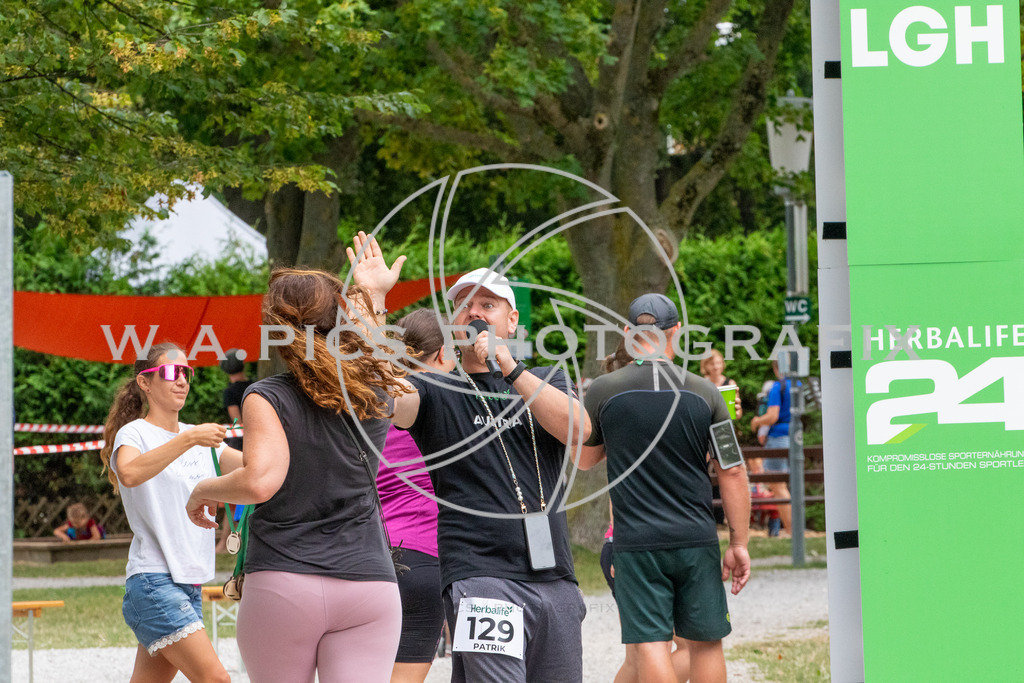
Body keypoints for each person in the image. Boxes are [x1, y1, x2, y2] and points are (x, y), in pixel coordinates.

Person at [352, 233, 590, 683]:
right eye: (464, 307)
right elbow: (385, 389)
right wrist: (374, 302)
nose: (475, 313)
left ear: (513, 321)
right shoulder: (437, 390)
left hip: (556, 577)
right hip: (481, 576)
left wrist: (510, 367)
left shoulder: (545, 378)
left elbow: (580, 432)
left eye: (488, 305)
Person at [184, 265, 406, 683]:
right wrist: (373, 297)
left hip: (286, 580)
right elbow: (375, 355)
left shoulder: (266, 395)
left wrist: (202, 489)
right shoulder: (376, 388)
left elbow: (260, 480)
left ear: (276, 329)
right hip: (369, 582)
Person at [579, 293, 751, 683]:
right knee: (706, 642)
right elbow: (734, 471)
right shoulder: (706, 393)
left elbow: (585, 460)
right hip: (696, 538)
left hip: (636, 542)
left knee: (652, 644)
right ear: (676, 332)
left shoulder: (604, 390)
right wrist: (738, 543)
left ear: (626, 333)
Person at [99, 341, 238, 683]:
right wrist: (189, 440)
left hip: (188, 584)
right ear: (145, 382)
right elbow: (129, 473)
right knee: (217, 679)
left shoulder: (198, 436)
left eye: (186, 373)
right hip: (153, 581)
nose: (182, 381)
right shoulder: (135, 433)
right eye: (172, 372)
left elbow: (256, 470)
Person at [378, 308, 454, 683]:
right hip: (424, 555)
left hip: (372, 556)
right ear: (442, 354)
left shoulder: (376, 406)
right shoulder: (449, 404)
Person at [749, 360, 796, 533]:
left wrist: (756, 421)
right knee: (781, 485)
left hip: (778, 438)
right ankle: (792, 528)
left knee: (778, 486)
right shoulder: (797, 384)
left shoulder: (778, 387)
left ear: (777, 368)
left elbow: (772, 416)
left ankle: (792, 530)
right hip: (792, 437)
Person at [215, 348, 252, 553]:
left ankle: (225, 543)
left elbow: (237, 421)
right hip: (258, 441)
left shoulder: (230, 392)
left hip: (238, 445)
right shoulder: (254, 385)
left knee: (231, 497)